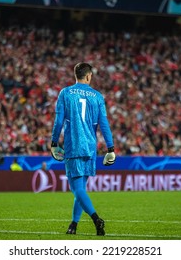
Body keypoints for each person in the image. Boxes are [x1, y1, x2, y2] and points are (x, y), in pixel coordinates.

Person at [50, 62, 116, 236]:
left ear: (76, 75)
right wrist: (111, 148)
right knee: (81, 189)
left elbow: (58, 121)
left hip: (74, 146)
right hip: (90, 147)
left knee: (77, 189)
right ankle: (73, 224)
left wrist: (54, 143)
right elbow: (104, 124)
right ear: (88, 76)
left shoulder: (66, 93)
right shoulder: (97, 96)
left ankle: (96, 219)